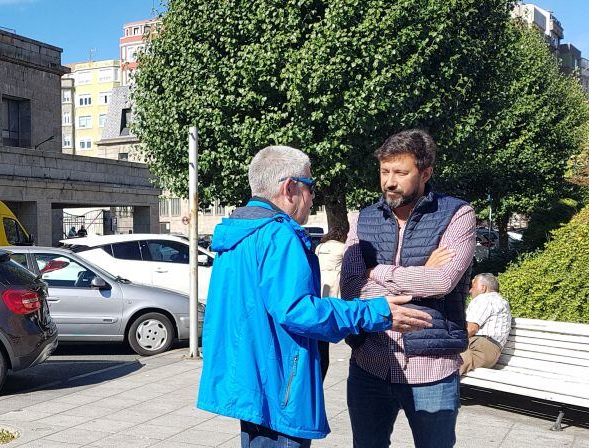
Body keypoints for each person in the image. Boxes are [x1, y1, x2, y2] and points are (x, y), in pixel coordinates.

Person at [197, 145, 432, 448]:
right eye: (310, 187)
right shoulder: (279, 235)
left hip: (252, 381)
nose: (312, 198)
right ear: (290, 187)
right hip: (279, 387)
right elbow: (298, 312)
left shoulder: (238, 232)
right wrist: (377, 312)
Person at [341, 129, 475, 448]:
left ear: (425, 173)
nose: (389, 181)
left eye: (401, 172)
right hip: (369, 365)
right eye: (385, 171)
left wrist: (377, 272)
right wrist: (420, 273)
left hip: (431, 371)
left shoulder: (458, 214)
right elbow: (349, 289)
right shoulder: (363, 219)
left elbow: (443, 281)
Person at [314, 224, 349, 379]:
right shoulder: (343, 247)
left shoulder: (320, 246)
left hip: (321, 279)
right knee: (335, 303)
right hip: (335, 278)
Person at [460, 273, 511, 375]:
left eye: (473, 286)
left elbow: (471, 329)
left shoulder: (484, 299)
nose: (470, 291)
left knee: (448, 362)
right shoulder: (501, 301)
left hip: (478, 346)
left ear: (483, 288)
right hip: (490, 353)